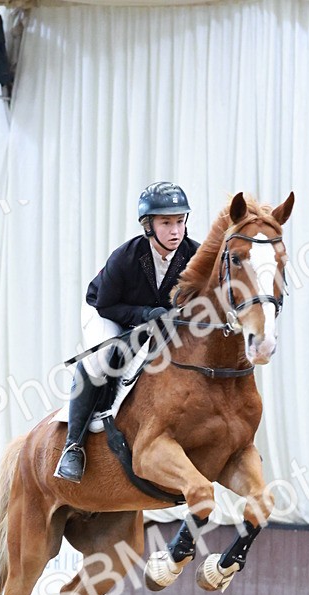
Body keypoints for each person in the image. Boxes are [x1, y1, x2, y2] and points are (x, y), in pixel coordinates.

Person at [54, 181, 200, 482]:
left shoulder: (193, 255)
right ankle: (73, 446)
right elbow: (107, 305)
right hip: (107, 311)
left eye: (180, 221)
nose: (176, 231)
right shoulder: (126, 256)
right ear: (149, 225)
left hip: (155, 322)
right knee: (103, 360)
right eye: (166, 223)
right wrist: (145, 314)